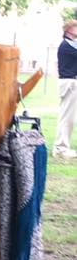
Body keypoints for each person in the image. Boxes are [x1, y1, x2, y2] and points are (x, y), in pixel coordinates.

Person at [54, 19, 77, 159]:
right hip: (69, 83)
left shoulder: (70, 44)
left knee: (69, 117)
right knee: (67, 117)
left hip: (70, 82)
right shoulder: (67, 45)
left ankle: (62, 147)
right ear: (69, 30)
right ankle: (60, 148)